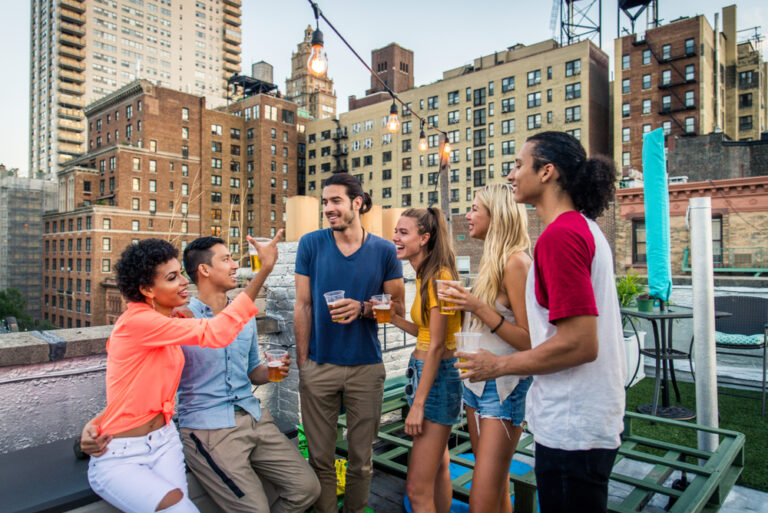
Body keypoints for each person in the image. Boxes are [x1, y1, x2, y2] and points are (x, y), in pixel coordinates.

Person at [457, 131, 626, 513]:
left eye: (519, 164)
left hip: (573, 425)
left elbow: (581, 343)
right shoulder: (582, 230)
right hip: (584, 422)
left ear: (547, 171)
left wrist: (498, 365)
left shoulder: (561, 237)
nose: (512, 174)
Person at [79, 235, 279, 513]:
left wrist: (97, 420)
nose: (185, 282)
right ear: (147, 289)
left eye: (181, 274)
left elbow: (135, 389)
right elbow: (218, 332)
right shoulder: (138, 322)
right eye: (172, 278)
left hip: (164, 442)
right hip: (122, 454)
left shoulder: (171, 321)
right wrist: (264, 270)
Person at [177, 235, 319, 513]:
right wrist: (265, 267)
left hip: (254, 417)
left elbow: (253, 372)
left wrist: (274, 373)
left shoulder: (244, 318)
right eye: (226, 259)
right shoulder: (182, 320)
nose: (234, 265)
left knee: (307, 488)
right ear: (204, 270)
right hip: (209, 429)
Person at [294, 173, 405, 513]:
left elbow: (397, 309)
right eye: (325, 202)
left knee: (361, 460)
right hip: (319, 366)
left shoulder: (385, 250)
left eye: (336, 201)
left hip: (366, 369)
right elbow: (303, 305)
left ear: (357, 203)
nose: (328, 208)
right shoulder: (311, 244)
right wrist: (304, 365)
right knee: (320, 459)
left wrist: (364, 309)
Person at [439, 184, 532, 513]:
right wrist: (464, 306)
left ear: (497, 215)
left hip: (502, 388)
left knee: (480, 502)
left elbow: (529, 340)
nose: (468, 215)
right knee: (496, 492)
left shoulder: (516, 263)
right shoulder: (491, 261)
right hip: (474, 384)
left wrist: (476, 306)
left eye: (475, 208)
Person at [388, 207, 462, 513]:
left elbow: (437, 347)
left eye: (404, 233)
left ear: (425, 238)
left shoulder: (437, 278)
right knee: (440, 468)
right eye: (396, 231)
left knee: (417, 491)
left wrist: (417, 405)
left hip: (437, 379)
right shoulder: (426, 274)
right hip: (429, 375)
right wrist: (392, 319)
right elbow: (426, 333)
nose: (395, 238)